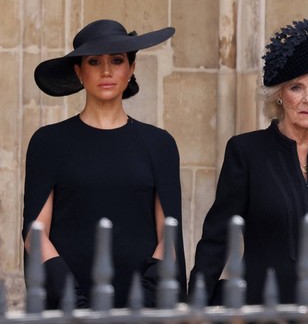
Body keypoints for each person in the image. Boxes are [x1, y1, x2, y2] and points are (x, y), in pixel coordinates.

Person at [188, 19, 308, 305]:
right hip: (266, 308)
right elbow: (217, 238)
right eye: (297, 88)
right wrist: (194, 306)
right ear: (280, 96)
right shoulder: (246, 151)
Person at [22, 19, 186, 308]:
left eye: (117, 60)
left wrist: (144, 302)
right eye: (95, 61)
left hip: (141, 307)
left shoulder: (159, 145)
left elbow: (170, 236)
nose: (107, 71)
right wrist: (74, 302)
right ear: (79, 72)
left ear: (131, 69)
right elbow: (35, 235)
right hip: (69, 306)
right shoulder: (49, 142)